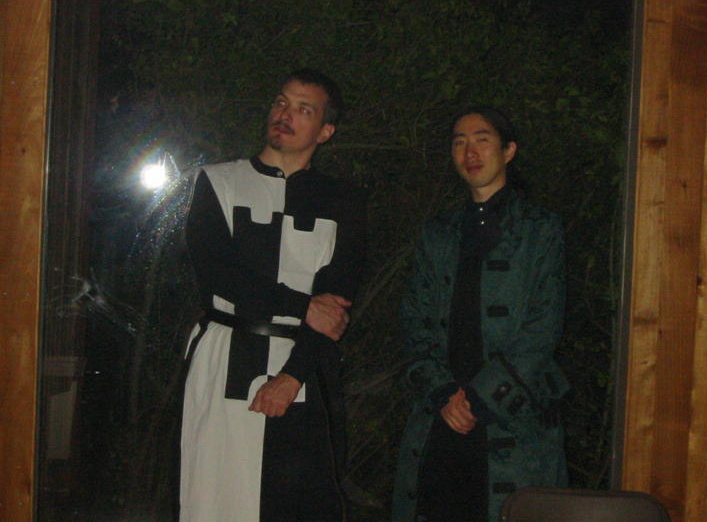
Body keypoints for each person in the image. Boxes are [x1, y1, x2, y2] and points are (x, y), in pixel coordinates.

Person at [180, 69, 366, 522]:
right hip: (224, 358)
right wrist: (301, 306)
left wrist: (291, 377)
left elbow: (335, 304)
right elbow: (217, 273)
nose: (286, 114)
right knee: (212, 495)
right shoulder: (217, 183)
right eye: (281, 102)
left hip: (304, 365)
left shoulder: (343, 201)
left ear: (325, 131)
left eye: (303, 109)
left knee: (298, 502)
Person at [392, 106, 569, 522]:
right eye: (459, 142)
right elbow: (414, 320)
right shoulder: (438, 232)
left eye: (481, 139)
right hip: (443, 415)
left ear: (508, 151)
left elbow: (543, 328)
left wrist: (479, 399)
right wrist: (442, 394)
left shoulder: (541, 229)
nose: (469, 151)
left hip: (512, 419)